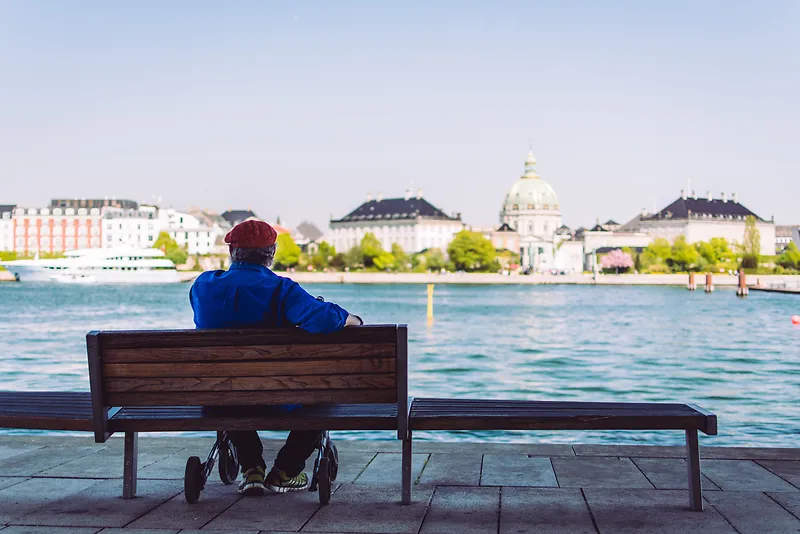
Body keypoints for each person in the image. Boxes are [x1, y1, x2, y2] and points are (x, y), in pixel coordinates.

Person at [189, 219, 363, 496]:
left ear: (232, 251)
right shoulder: (283, 290)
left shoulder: (204, 285)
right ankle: (286, 470)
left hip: (220, 396)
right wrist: (352, 318)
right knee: (324, 394)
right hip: (278, 397)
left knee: (228, 391)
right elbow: (324, 321)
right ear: (271, 254)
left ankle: (251, 468)